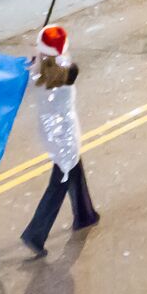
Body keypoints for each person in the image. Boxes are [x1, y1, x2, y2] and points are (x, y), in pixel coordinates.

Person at [19, 25, 100, 256]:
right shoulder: (67, 72)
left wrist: (37, 55)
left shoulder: (38, 71)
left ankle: (85, 214)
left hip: (50, 131)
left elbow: (43, 62)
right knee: (59, 183)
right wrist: (42, 52)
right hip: (64, 135)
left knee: (74, 170)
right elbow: (65, 61)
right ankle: (35, 234)